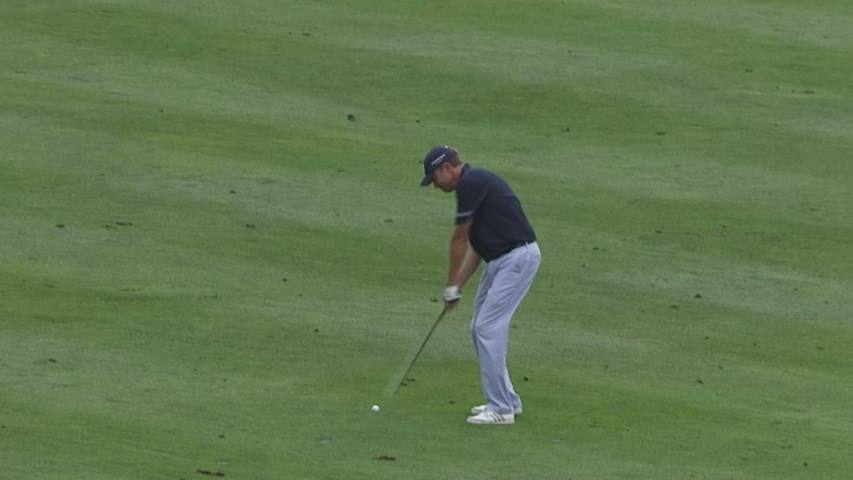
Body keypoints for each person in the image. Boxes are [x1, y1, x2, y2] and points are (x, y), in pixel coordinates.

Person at [419, 145, 541, 425]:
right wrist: (457, 287)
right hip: (501, 260)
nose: (436, 187)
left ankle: (500, 409)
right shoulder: (474, 185)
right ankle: (507, 400)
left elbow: (459, 238)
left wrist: (450, 281)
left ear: (446, 169)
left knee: (487, 327)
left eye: (434, 179)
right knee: (480, 327)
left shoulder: (472, 183)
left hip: (517, 259)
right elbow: (477, 245)